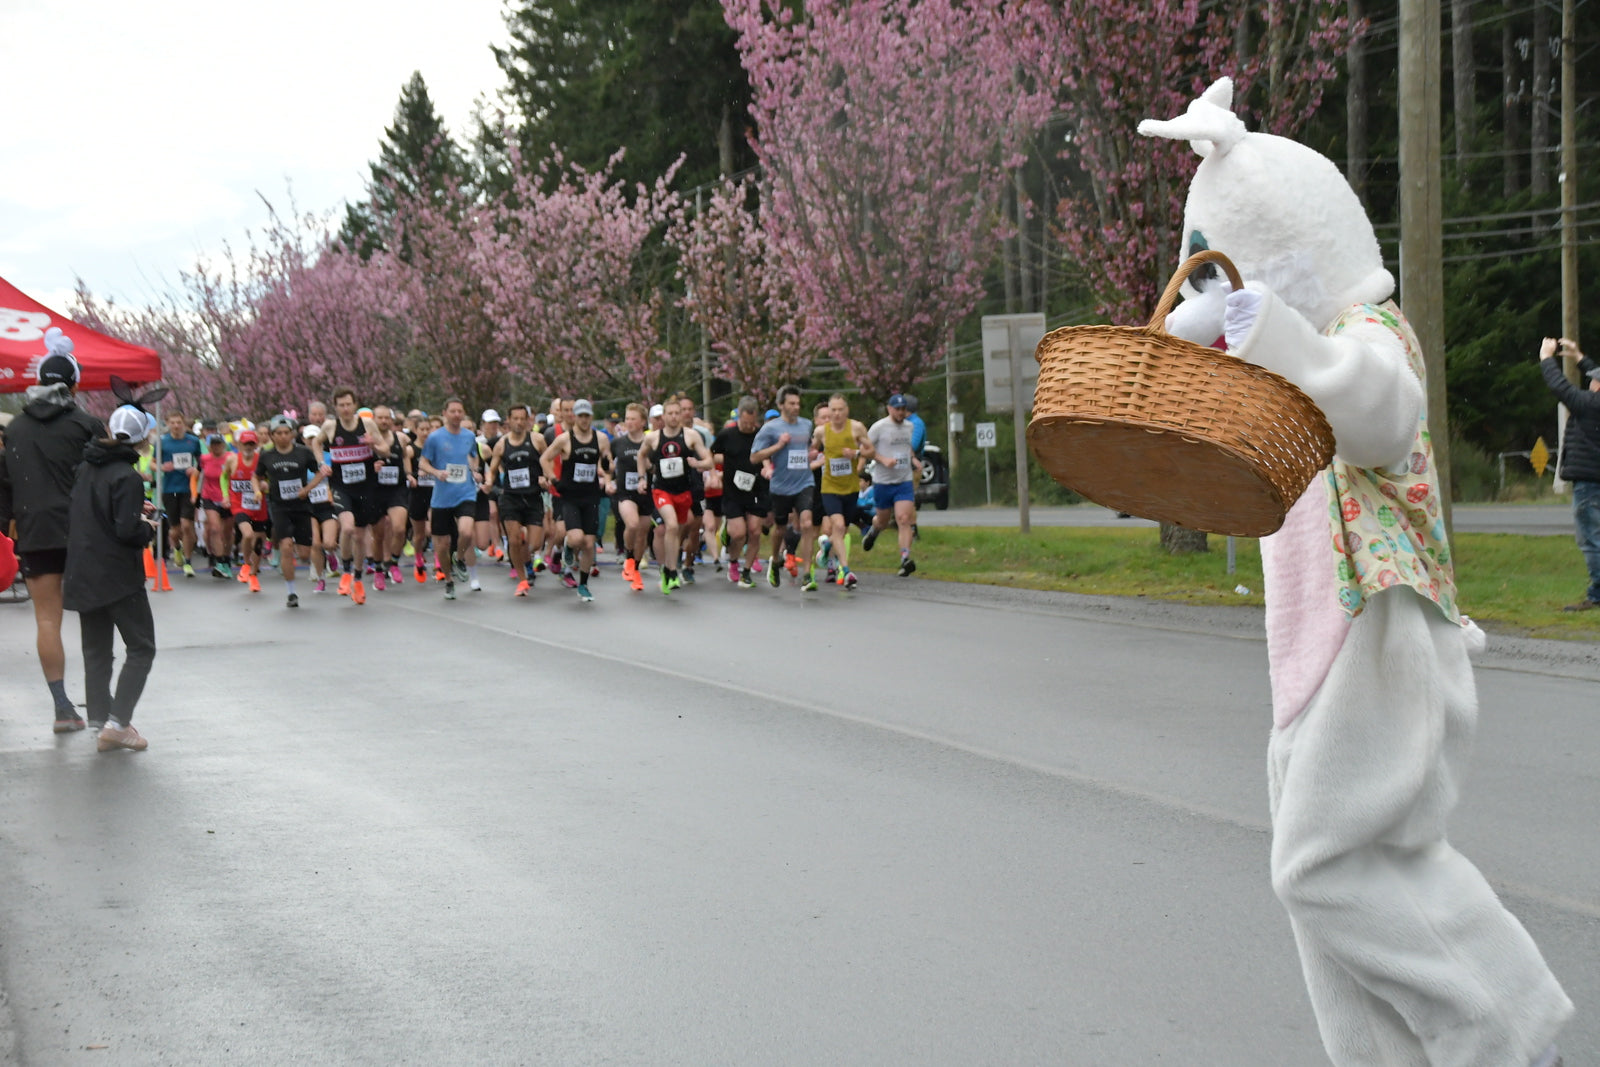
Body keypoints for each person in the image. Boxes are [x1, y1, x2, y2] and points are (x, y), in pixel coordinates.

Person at [1141, 77, 1569, 1065]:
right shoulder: (1284, 375)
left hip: (1379, 635)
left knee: (1326, 868)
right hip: (1313, 662)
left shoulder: (1363, 338)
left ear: (1291, 259)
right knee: (1330, 906)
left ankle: (1507, 1033)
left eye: (1239, 272)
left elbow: (1380, 415)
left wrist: (1264, 322)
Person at [0, 333, 106, 730]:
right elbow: (104, 481)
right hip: (85, 533)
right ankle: (101, 710)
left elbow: (4, 486)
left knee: (47, 620)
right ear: (74, 384)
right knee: (95, 617)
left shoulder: (16, 430)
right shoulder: (87, 425)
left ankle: (63, 707)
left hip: (35, 531)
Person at [62, 405, 159, 751]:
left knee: (97, 650)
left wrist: (136, 509)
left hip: (82, 570)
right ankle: (118, 724)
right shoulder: (128, 476)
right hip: (117, 575)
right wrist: (146, 526)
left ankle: (103, 719)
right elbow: (126, 531)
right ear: (141, 438)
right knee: (142, 647)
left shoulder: (86, 466)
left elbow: (93, 511)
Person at [1539, 337, 1600, 612]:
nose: (1592, 380)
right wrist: (1578, 356)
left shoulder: (1590, 405)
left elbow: (1560, 387)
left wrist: (1546, 358)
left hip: (1589, 484)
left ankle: (1597, 595)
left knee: (1591, 540)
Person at [638, 398, 713, 594]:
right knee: (670, 525)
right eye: (669, 413)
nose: (673, 417)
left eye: (676, 413)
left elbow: (708, 460)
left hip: (683, 492)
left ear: (681, 415)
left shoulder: (691, 436)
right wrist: (642, 477)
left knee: (677, 531)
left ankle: (669, 569)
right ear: (663, 416)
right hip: (662, 490)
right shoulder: (653, 438)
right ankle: (671, 571)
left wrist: (697, 464)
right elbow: (641, 455)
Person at [541, 399, 612, 603]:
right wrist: (554, 479)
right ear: (574, 418)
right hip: (570, 496)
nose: (583, 419)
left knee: (589, 544)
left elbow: (609, 465)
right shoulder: (565, 439)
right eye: (579, 416)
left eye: (586, 416)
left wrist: (607, 468)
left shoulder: (601, 439)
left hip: (591, 497)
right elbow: (544, 459)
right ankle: (569, 547)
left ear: (591, 417)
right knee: (576, 538)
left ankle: (583, 584)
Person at [253, 414, 327, 608]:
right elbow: (256, 476)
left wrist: (307, 489)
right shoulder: (267, 455)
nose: (283, 436)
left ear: (292, 434)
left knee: (304, 553)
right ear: (272, 435)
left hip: (301, 506)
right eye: (279, 433)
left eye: (287, 433)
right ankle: (291, 592)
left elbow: (321, 473)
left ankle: (314, 565)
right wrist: (257, 489)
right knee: (286, 546)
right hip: (279, 506)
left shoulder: (303, 452)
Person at [751, 385, 820, 592]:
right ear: (781, 405)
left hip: (804, 482)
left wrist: (809, 455)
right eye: (791, 403)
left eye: (798, 403)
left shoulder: (806, 425)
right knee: (780, 528)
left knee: (807, 523)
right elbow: (754, 456)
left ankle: (808, 574)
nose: (796, 407)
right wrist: (778, 447)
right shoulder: (771, 429)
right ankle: (774, 559)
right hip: (781, 486)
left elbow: (803, 450)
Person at [319, 388, 381, 603]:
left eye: (348, 404)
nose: (345, 409)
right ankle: (345, 570)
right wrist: (322, 463)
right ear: (335, 407)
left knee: (361, 535)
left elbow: (385, 448)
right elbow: (317, 442)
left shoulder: (368, 424)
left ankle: (357, 577)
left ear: (355, 405)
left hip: (365, 487)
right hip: (341, 486)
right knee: (347, 527)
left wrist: (374, 445)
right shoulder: (330, 426)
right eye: (341, 405)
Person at [419, 397, 481, 600]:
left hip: (465, 492)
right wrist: (436, 472)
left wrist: (475, 470)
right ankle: (448, 580)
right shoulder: (435, 438)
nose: (456, 415)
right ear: (444, 413)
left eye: (459, 411)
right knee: (441, 545)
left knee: (466, 530)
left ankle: (460, 557)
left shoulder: (469, 436)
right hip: (442, 498)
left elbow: (473, 455)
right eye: (452, 411)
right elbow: (423, 462)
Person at [811, 393, 872, 589]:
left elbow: (870, 450)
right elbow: (811, 450)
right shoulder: (822, 431)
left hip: (851, 487)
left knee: (842, 529)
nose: (836, 414)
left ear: (847, 410)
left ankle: (827, 545)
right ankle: (846, 570)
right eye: (833, 410)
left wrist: (856, 453)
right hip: (829, 487)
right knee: (837, 524)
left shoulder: (856, 428)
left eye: (840, 409)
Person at [484, 404, 546, 597]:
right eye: (515, 419)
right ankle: (522, 580)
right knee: (513, 539)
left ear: (528, 420)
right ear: (508, 421)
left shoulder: (537, 440)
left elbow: (548, 461)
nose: (519, 423)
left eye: (522, 419)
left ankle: (527, 560)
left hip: (533, 497)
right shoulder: (502, 444)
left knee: (534, 544)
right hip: (510, 497)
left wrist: (546, 477)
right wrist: (488, 483)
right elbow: (493, 470)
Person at [712, 396, 770, 588]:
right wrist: (720, 466)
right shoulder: (727, 435)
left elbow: (771, 455)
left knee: (754, 531)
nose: (747, 426)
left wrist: (768, 468)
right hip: (733, 490)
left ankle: (746, 572)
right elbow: (711, 454)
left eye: (751, 423)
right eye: (744, 422)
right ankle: (734, 561)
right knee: (738, 534)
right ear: (739, 417)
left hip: (757, 489)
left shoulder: (762, 434)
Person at [862, 394, 921, 576]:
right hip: (883, 481)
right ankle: (874, 531)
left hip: (903, 480)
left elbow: (906, 446)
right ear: (889, 409)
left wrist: (913, 458)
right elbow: (866, 449)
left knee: (904, 519)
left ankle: (905, 559)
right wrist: (883, 459)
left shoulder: (909, 427)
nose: (901, 413)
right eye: (897, 409)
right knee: (883, 520)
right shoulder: (879, 427)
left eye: (903, 409)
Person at [608, 403, 651, 592]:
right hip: (625, 493)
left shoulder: (650, 442)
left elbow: (658, 466)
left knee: (642, 534)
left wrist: (649, 465)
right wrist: (608, 480)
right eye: (627, 418)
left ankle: (635, 568)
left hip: (645, 493)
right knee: (632, 525)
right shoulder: (618, 443)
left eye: (633, 419)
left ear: (642, 422)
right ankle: (628, 556)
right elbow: (604, 464)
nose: (629, 422)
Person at [222, 430, 268, 593]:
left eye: (251, 444)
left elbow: (269, 479)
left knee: (258, 543)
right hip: (239, 504)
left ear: (256, 445)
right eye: (245, 444)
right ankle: (246, 564)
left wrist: (265, 486)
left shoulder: (261, 460)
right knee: (247, 535)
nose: (248, 447)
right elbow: (224, 477)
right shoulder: (232, 460)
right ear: (239, 445)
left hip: (258, 504)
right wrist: (226, 496)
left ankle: (253, 575)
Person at [157, 410, 202, 576]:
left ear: (184, 423)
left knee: (187, 526)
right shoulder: (162, 442)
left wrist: (196, 469)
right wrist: (162, 467)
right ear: (168, 424)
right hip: (169, 489)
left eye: (179, 422)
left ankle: (188, 562)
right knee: (175, 530)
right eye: (172, 423)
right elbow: (154, 464)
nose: (176, 426)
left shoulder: (193, 441)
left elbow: (201, 462)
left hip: (187, 489)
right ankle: (177, 548)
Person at [197, 434, 234, 578]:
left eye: (218, 444)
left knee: (228, 532)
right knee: (214, 529)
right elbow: (198, 475)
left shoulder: (231, 457)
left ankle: (227, 558)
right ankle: (219, 561)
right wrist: (195, 494)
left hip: (228, 497)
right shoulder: (204, 459)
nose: (216, 447)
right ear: (208, 446)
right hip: (209, 497)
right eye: (213, 444)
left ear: (224, 445)